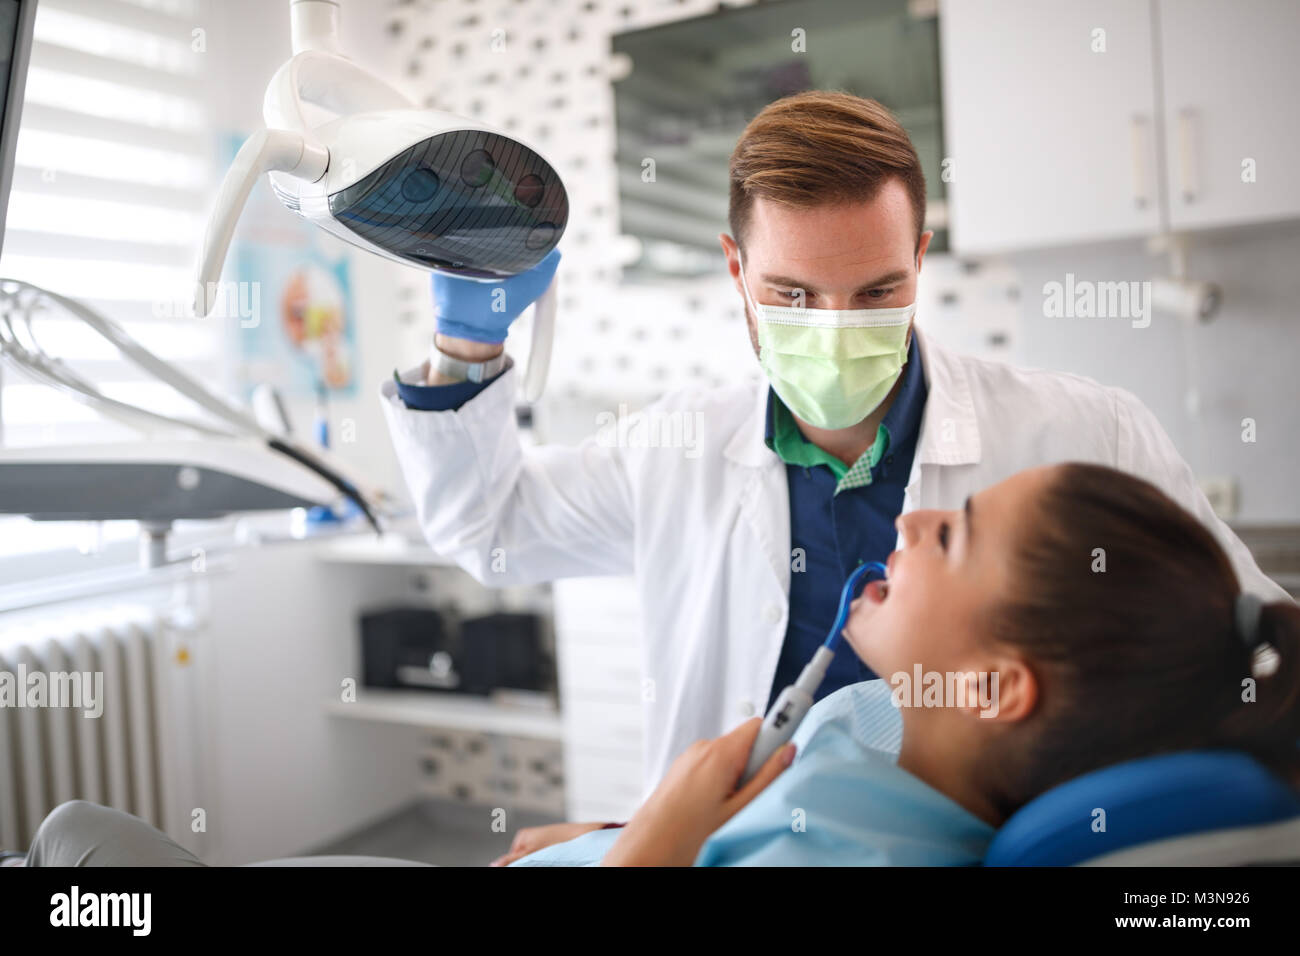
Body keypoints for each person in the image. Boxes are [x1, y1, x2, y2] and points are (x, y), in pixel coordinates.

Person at [380, 90, 1290, 860]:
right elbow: (489, 527)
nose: (836, 327)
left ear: (921, 262)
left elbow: (1243, 656)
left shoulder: (1086, 432)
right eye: (792, 295)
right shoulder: (677, 445)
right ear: (736, 272)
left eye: (877, 292)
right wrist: (470, 345)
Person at [509, 463, 1300, 866]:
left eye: (953, 536)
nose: (912, 517)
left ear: (991, 686)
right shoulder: (884, 720)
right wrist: (616, 833)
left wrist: (651, 847)